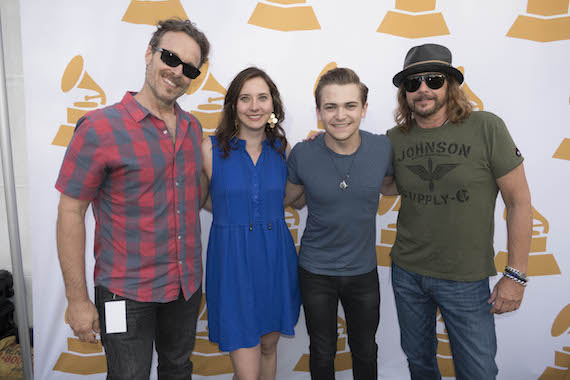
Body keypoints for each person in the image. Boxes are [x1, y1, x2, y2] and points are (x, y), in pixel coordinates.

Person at [55, 19, 210, 379]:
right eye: (170, 57)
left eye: (189, 67)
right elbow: (70, 211)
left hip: (185, 288)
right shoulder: (98, 128)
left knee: (178, 369)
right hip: (124, 293)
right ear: (148, 54)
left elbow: (194, 197)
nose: (176, 72)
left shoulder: (193, 129)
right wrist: (77, 300)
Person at [387, 43, 532, 380]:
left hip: (465, 279)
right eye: (413, 82)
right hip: (407, 273)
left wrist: (516, 275)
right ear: (405, 93)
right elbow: (380, 183)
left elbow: (519, 202)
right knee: (420, 364)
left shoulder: (486, 127)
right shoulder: (395, 139)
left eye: (433, 80)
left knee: (478, 372)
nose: (423, 89)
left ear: (451, 85)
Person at [285, 67, 395, 380]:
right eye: (331, 107)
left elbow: (391, 184)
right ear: (318, 112)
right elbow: (287, 198)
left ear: (364, 108)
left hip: (363, 272)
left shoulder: (382, 148)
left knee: (365, 349)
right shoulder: (304, 153)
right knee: (321, 351)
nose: (340, 115)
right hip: (315, 272)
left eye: (350, 106)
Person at [201, 67, 301, 380]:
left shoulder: (283, 150)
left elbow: (293, 199)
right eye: (245, 98)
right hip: (231, 262)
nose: (254, 106)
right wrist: (234, 215)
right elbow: (201, 199)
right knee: (247, 371)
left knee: (269, 347)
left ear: (273, 104)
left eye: (262, 98)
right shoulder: (210, 149)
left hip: (275, 259)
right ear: (233, 105)